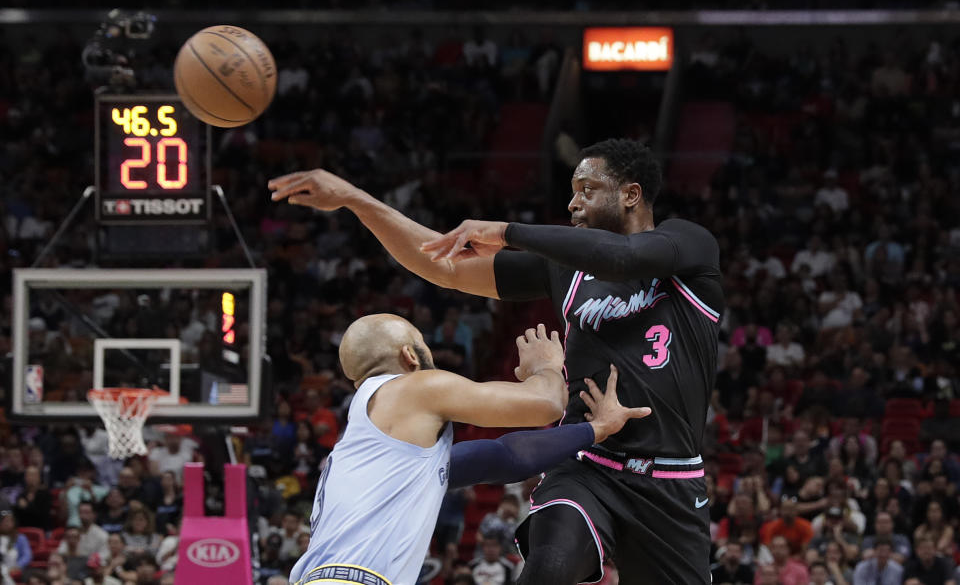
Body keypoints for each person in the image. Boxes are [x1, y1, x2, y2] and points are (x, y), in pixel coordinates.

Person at [271, 138, 723, 584]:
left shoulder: (688, 246)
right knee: (548, 567)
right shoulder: (565, 270)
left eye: (586, 190)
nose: (572, 204)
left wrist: (506, 231)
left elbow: (624, 258)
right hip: (589, 464)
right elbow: (440, 263)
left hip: (671, 477)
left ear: (631, 195)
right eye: (571, 191)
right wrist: (356, 201)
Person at [288, 314, 651, 585]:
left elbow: (502, 459)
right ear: (411, 357)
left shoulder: (372, 452)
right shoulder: (410, 387)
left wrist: (594, 430)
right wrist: (547, 367)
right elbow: (545, 403)